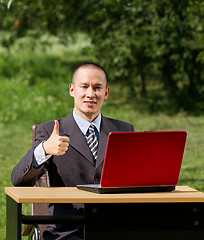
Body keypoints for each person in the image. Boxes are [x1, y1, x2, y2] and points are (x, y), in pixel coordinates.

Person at [11, 62, 135, 240]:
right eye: (84, 86)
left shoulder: (124, 130)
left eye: (97, 88)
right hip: (66, 231)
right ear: (72, 90)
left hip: (115, 227)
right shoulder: (49, 131)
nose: (90, 94)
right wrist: (44, 150)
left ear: (106, 93)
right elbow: (18, 179)